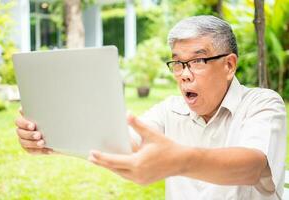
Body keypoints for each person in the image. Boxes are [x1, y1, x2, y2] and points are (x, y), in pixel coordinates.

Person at [15, 15, 286, 200]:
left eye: (198, 61)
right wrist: (52, 137)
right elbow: (122, 144)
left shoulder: (262, 104)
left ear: (229, 65)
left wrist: (181, 160)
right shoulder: (170, 110)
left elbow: (252, 166)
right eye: (178, 63)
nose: (184, 74)